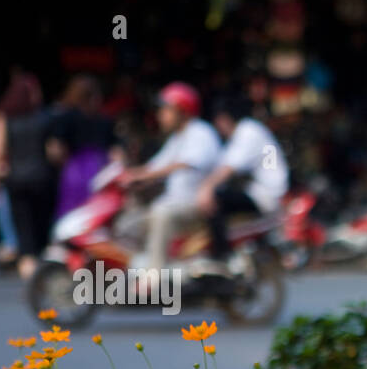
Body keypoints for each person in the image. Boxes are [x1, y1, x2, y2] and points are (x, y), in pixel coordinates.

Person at [117, 82, 220, 273]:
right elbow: (154, 166)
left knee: (161, 213)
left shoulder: (201, 132)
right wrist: (128, 175)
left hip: (195, 205)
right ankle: (137, 268)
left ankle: (154, 275)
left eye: (166, 110)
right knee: (129, 223)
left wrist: (142, 175)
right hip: (175, 204)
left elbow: (185, 163)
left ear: (182, 111)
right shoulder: (177, 138)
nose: (160, 115)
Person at [195, 96, 289, 266]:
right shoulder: (248, 131)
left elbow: (228, 168)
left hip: (265, 195)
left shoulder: (248, 132)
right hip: (262, 192)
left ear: (224, 119)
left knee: (215, 200)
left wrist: (206, 188)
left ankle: (222, 257)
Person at [0, 72, 57, 280]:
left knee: (24, 238)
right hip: (43, 180)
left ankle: (30, 279)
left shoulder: (5, 119)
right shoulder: (44, 118)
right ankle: (41, 281)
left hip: (16, 181)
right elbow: (55, 152)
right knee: (41, 234)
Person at [47, 74, 123, 218]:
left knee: (73, 215)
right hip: (100, 168)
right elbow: (116, 152)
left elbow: (56, 149)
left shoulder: (66, 117)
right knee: (95, 214)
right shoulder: (104, 120)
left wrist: (60, 166)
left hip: (74, 171)